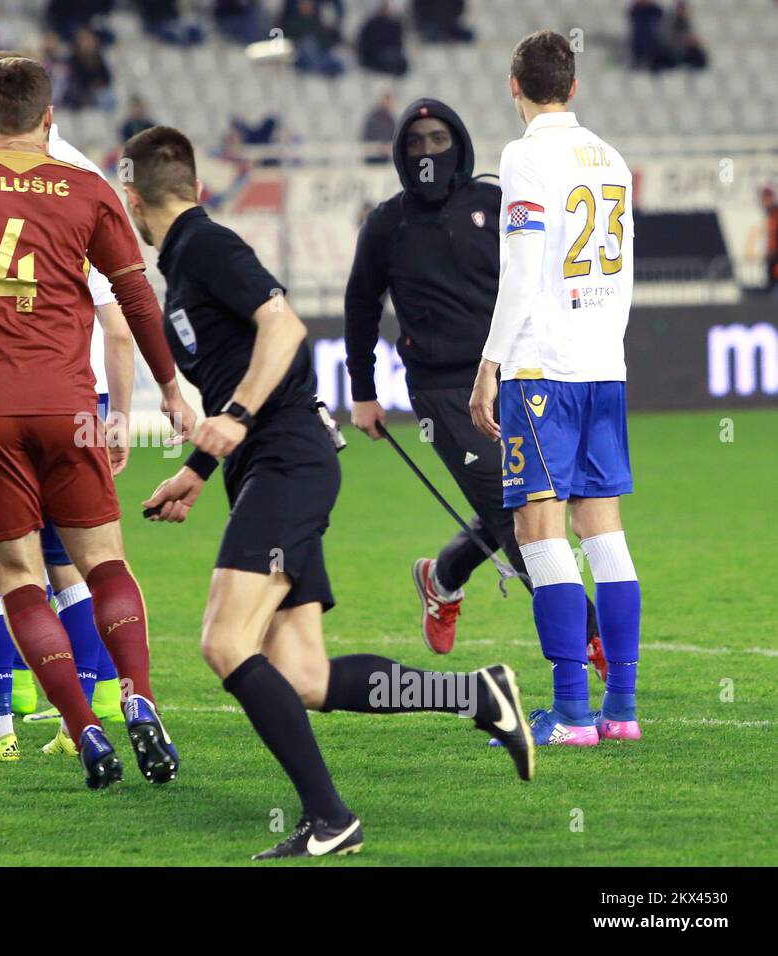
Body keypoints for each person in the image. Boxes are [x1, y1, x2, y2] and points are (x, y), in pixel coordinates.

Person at [129, 125, 533, 860]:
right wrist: (195, 470)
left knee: (225, 642)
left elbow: (285, 328)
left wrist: (238, 418)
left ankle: (331, 819)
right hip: (271, 463)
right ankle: (479, 696)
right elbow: (240, 381)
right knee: (306, 676)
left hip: (288, 462)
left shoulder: (207, 247)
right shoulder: (183, 263)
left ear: (133, 194)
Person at [0, 57, 196, 789]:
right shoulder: (89, 189)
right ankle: (139, 700)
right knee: (105, 565)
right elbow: (135, 299)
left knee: (17, 577)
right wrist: (170, 388)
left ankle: (83, 732)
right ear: (48, 114)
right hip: (71, 407)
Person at [0, 50, 137, 762]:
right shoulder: (82, 182)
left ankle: (4, 718)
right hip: (69, 401)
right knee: (77, 567)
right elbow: (117, 309)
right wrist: (118, 409)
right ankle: (105, 702)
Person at [344, 98, 604, 668]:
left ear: (459, 143)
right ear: (399, 153)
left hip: (518, 373)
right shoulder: (386, 224)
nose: (428, 152)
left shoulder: (497, 202)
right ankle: (589, 637)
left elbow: (539, 276)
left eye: (439, 139)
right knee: (520, 512)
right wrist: (362, 392)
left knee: (518, 502)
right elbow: (360, 308)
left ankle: (442, 578)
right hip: (442, 393)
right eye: (416, 143)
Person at [470, 31, 642, 747]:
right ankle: (621, 709)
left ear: (516, 86)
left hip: (543, 367)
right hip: (605, 363)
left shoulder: (524, 155)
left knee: (538, 530)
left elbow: (521, 268)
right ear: (572, 87)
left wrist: (491, 362)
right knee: (604, 532)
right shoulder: (612, 158)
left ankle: (571, 712)